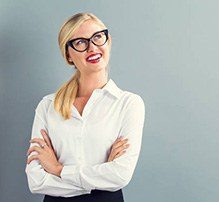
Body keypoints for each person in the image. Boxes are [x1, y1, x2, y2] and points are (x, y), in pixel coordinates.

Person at [24, 13, 145, 202]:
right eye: (80, 42)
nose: (92, 48)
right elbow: (36, 181)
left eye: (98, 37)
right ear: (68, 55)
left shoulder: (129, 104)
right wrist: (101, 175)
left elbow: (120, 175)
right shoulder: (48, 106)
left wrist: (58, 170)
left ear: (108, 41)